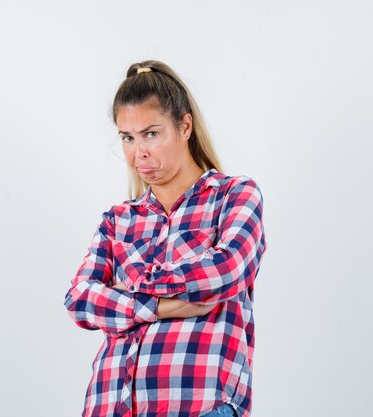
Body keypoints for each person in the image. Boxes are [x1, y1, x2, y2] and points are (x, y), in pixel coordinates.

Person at [63, 60, 267, 417]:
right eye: (128, 137)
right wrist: (158, 306)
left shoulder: (234, 196)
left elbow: (225, 271)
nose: (138, 152)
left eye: (151, 134)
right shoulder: (119, 220)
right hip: (110, 407)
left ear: (184, 126)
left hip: (198, 407)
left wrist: (136, 283)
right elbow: (80, 299)